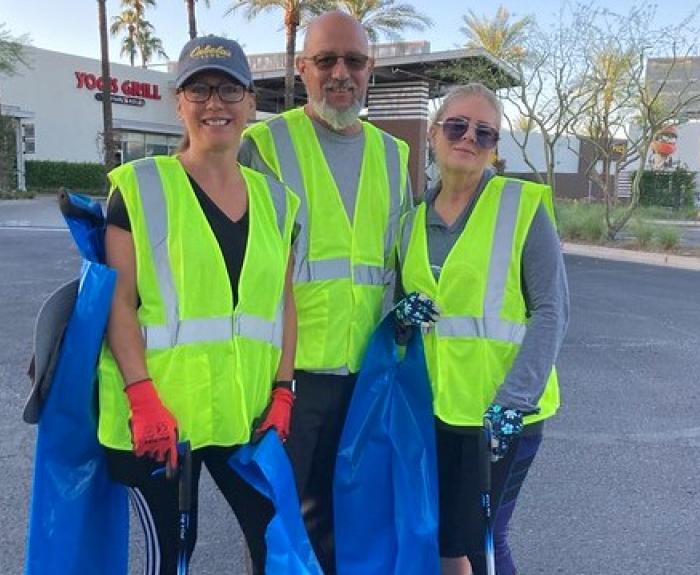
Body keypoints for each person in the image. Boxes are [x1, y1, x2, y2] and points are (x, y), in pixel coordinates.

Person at [98, 35, 299, 575]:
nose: (215, 104)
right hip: (161, 419)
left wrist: (284, 389)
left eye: (230, 90)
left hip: (244, 414)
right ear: (179, 102)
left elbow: (283, 304)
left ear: (251, 102)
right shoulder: (139, 188)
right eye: (200, 89)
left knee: (274, 540)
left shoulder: (277, 201)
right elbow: (118, 302)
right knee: (172, 559)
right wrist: (142, 399)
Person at [239, 11, 411, 574]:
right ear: (302, 68)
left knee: (346, 519)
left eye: (354, 61)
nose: (341, 73)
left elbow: (404, 263)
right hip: (288, 378)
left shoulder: (396, 155)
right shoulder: (263, 144)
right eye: (326, 61)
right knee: (277, 527)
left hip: (365, 375)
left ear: (371, 69)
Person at [396, 83, 569, 575]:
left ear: (495, 147)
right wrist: (401, 319)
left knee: (483, 541)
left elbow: (552, 311)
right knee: (446, 541)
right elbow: (403, 315)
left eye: (484, 132)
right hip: (438, 411)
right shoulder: (410, 223)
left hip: (502, 416)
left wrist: (514, 402)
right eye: (457, 126)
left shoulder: (522, 207)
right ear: (434, 134)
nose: (469, 137)